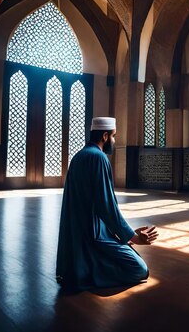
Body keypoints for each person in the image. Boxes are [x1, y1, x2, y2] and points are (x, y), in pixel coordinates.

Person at [56, 117, 158, 291]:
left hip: (78, 235)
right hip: (96, 235)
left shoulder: (79, 156)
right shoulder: (99, 158)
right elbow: (107, 206)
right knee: (139, 269)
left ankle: (85, 270)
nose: (114, 141)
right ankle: (91, 274)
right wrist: (132, 237)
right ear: (105, 136)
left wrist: (126, 235)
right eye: (114, 136)